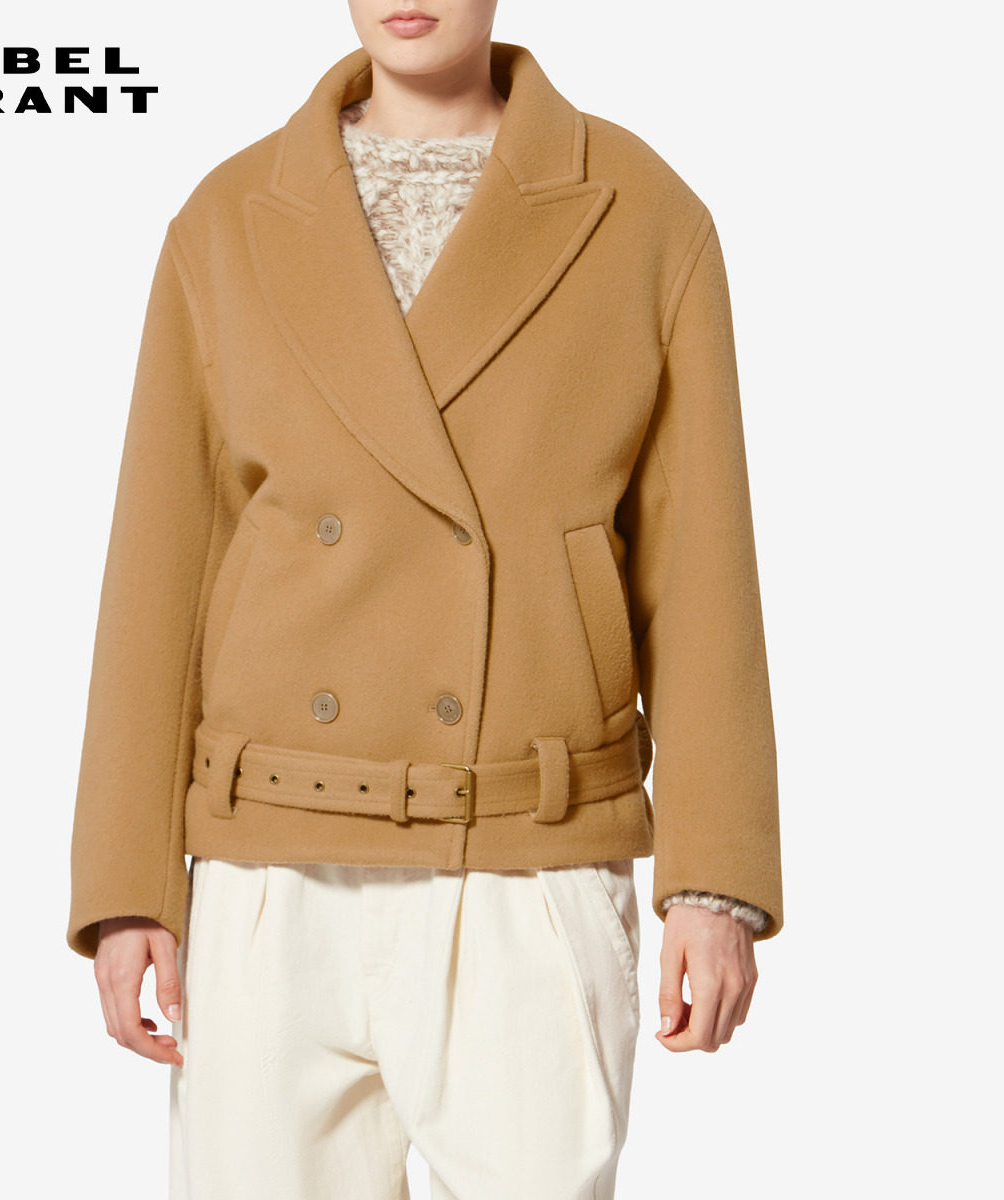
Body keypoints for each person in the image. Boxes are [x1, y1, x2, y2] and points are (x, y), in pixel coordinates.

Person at [67, 3, 784, 1196]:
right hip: (270, 867)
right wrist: (126, 884)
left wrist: (716, 883)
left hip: (526, 860)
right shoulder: (229, 216)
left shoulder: (644, 212)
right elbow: (159, 562)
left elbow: (703, 567)